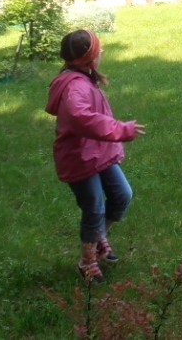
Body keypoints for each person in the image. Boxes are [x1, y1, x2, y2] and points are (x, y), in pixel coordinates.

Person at [45, 29, 146, 284]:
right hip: (79, 158)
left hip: (96, 153)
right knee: (94, 208)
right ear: (89, 59)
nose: (102, 53)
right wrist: (121, 130)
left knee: (122, 195)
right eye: (99, 51)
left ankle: (99, 236)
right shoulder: (75, 86)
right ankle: (87, 261)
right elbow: (81, 119)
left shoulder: (84, 78)